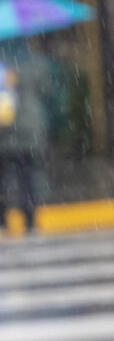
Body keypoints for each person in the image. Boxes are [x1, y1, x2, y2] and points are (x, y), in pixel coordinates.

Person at [0, 41, 54, 236]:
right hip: (30, 125)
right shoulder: (36, 62)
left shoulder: (2, 63)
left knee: (4, 177)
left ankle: (3, 220)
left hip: (4, 125)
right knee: (28, 176)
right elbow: (46, 90)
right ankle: (29, 220)